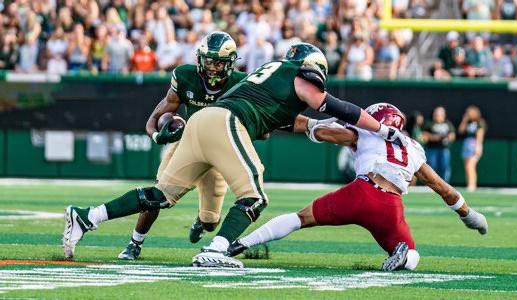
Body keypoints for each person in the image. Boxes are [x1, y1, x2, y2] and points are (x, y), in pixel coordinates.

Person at [63, 43, 406, 267]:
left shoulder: (270, 80)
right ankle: (217, 249)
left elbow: (300, 121)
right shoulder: (297, 75)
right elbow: (332, 105)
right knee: (254, 196)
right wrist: (380, 129)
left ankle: (86, 216)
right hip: (225, 122)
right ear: (311, 68)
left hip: (203, 123)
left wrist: (330, 130)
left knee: (160, 195)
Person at [227, 103, 488, 271]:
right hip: (390, 207)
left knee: (300, 218)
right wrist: (470, 217)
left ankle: (241, 243)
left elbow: (323, 132)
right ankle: (403, 257)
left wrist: (296, 125)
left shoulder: (365, 131)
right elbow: (444, 189)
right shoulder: (414, 149)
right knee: (412, 256)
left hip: (362, 192)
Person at [115, 31, 248, 260]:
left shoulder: (241, 84)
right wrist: (160, 132)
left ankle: (201, 220)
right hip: (188, 144)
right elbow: (160, 114)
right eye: (208, 61)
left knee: (210, 223)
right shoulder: (186, 76)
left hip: (218, 153)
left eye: (218, 62)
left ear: (230, 64)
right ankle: (134, 243)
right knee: (156, 193)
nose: (212, 68)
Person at [423, 106, 455, 183]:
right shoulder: (429, 123)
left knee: (445, 167)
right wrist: (436, 137)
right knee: (431, 168)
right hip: (432, 149)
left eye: (440, 114)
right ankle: (431, 184)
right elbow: (425, 136)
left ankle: (445, 184)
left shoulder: (447, 123)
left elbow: (452, 134)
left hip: (444, 149)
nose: (437, 115)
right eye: (436, 114)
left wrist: (448, 138)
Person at [458, 105, 486, 191]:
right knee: (467, 166)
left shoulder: (480, 122)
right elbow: (460, 131)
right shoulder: (467, 123)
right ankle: (469, 184)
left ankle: (472, 185)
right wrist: (464, 120)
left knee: (471, 165)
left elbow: (480, 135)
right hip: (467, 144)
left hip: (474, 144)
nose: (467, 114)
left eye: (469, 112)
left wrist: (478, 147)